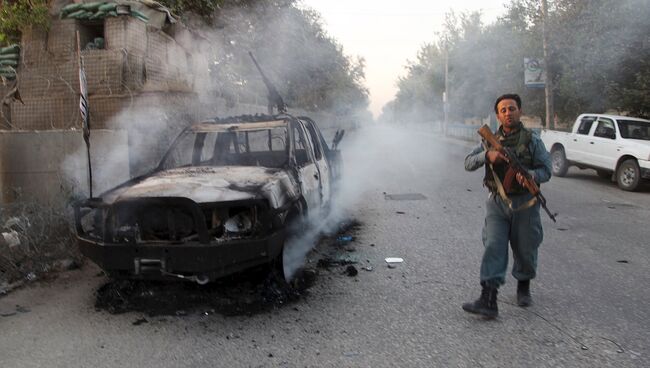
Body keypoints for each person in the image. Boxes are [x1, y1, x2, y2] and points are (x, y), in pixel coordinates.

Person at [462, 94, 552, 318]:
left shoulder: (532, 140)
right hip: (498, 203)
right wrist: (487, 155)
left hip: (525, 205)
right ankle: (488, 299)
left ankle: (524, 285)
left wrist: (531, 175)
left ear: (520, 111)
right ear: (497, 115)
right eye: (503, 110)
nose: (507, 113)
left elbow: (547, 170)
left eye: (512, 108)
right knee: (493, 246)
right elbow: (467, 163)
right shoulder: (487, 140)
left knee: (526, 248)